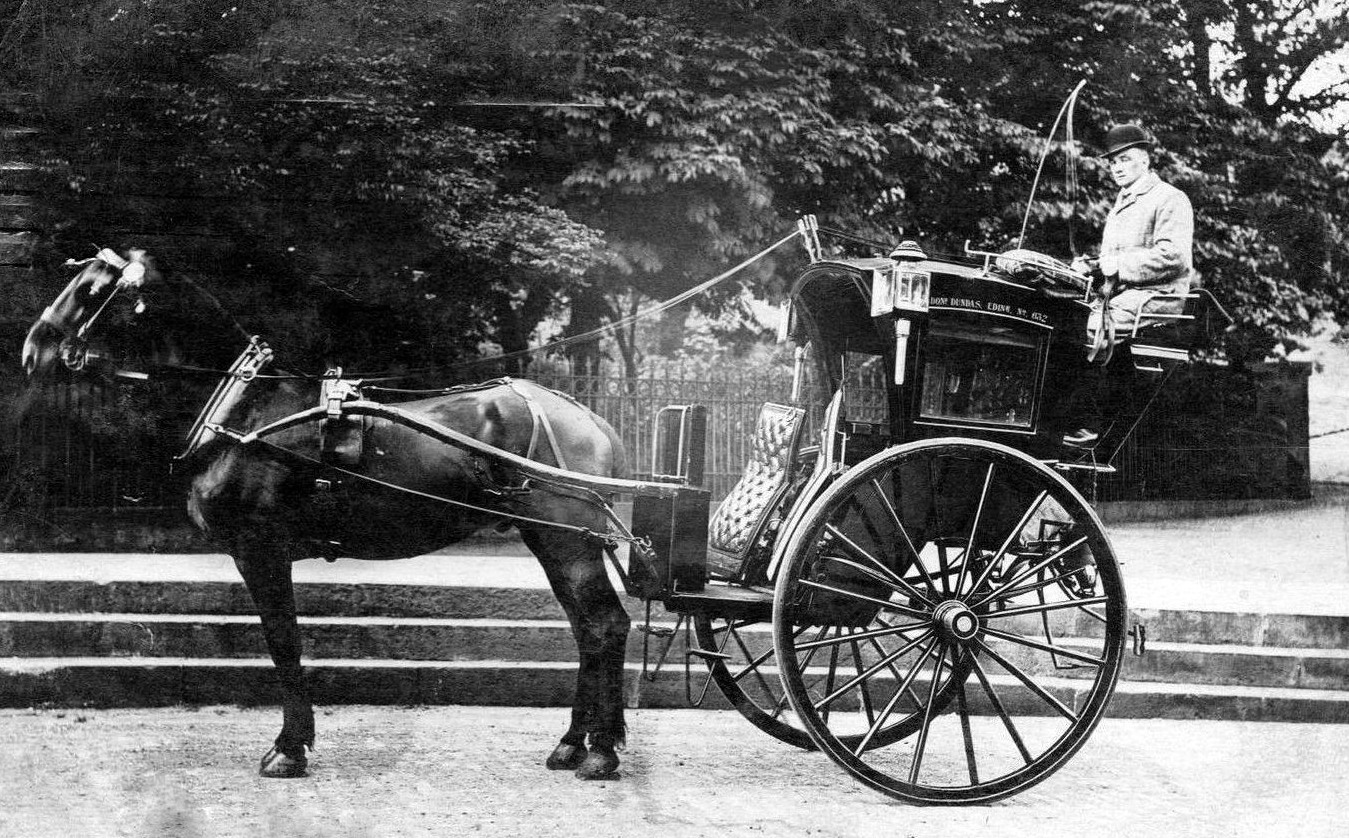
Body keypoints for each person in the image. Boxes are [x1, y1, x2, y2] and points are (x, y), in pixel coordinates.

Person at [1062, 123, 1197, 448]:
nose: (1117, 168)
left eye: (1125, 159)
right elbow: (1114, 258)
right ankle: (1079, 419)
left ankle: (1088, 426)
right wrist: (1092, 265)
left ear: (1145, 160)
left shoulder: (1169, 198)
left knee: (1089, 329)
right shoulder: (1124, 202)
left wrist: (1118, 266)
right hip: (1122, 296)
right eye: (1113, 162)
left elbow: (1174, 257)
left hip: (1158, 297)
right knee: (1065, 319)